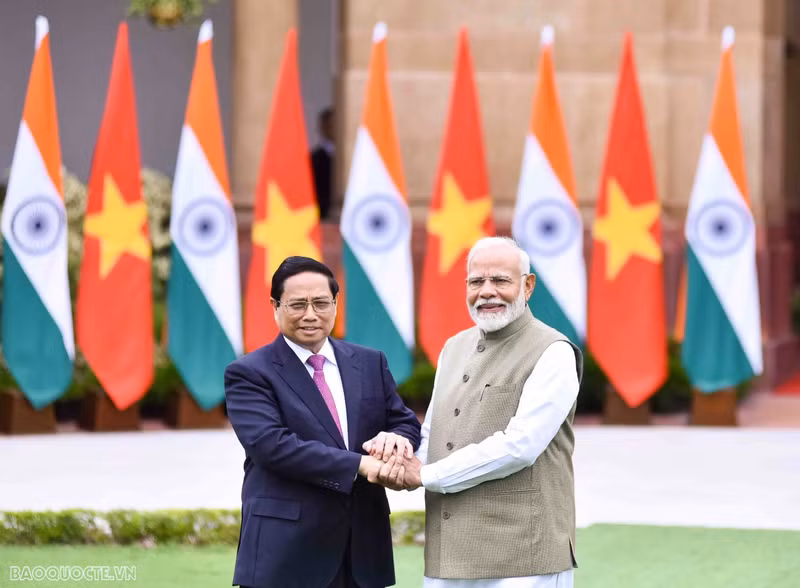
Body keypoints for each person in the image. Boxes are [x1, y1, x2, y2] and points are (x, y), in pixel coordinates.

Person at [371, 236, 583, 587]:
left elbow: (519, 447)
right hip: (448, 550)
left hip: (523, 554)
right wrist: (401, 460)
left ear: (527, 285)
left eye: (500, 280)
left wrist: (424, 476)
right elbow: (434, 434)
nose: (487, 291)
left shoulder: (553, 351)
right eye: (476, 281)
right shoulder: (453, 348)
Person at [225, 256, 421, 588]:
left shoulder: (370, 362)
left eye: (320, 303)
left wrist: (396, 439)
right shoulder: (249, 372)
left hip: (363, 549)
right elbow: (272, 446)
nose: (311, 315)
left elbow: (404, 421)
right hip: (286, 553)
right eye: (297, 305)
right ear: (275, 306)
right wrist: (362, 465)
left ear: (335, 303)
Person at [311, 107, 335, 220]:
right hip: (322, 216)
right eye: (328, 125)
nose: (332, 128)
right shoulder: (314, 159)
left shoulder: (353, 158)